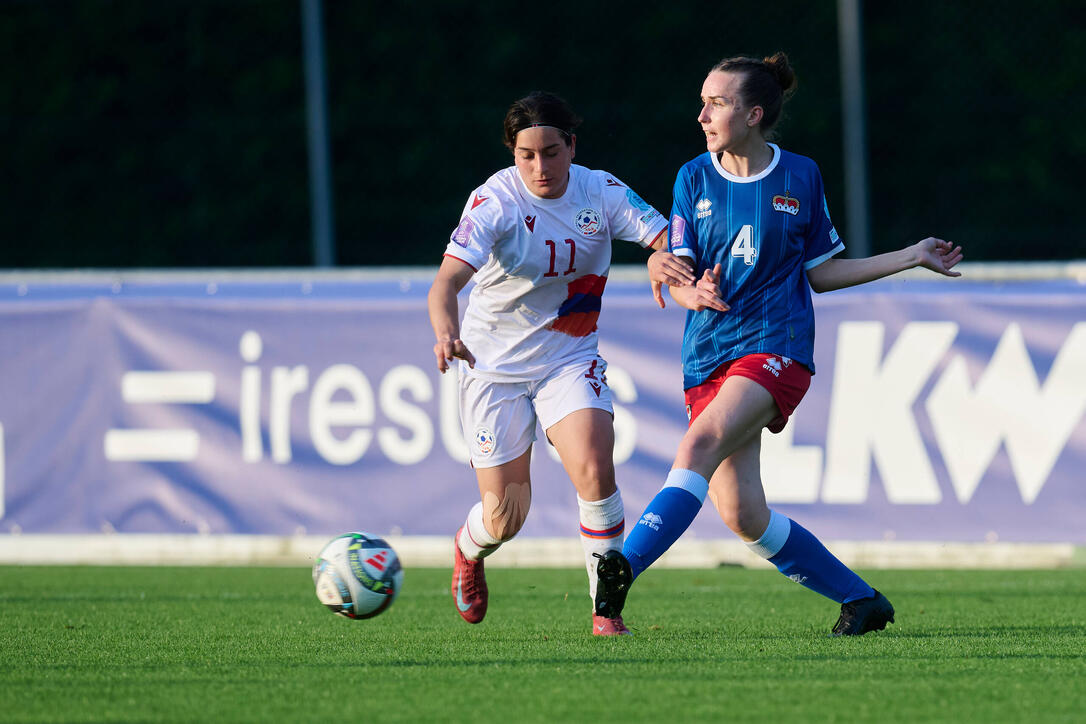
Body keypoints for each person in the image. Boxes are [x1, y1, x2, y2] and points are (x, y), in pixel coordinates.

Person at [593, 53, 964, 636]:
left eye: (716, 103)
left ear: (753, 113)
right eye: (703, 102)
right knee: (743, 513)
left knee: (699, 443)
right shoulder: (693, 177)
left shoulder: (801, 176)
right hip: (708, 354)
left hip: (778, 347)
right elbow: (682, 272)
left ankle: (621, 572)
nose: (702, 114)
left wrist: (910, 257)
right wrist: (678, 280)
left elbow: (821, 272)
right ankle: (862, 601)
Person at [428, 91, 669, 636]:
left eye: (552, 152)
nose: (540, 167)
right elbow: (445, 283)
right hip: (494, 367)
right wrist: (446, 333)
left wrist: (660, 256)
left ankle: (606, 613)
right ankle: (469, 550)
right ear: (512, 153)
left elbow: (664, 236)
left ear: (572, 146)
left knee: (594, 466)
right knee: (505, 518)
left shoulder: (600, 190)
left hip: (569, 358)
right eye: (526, 154)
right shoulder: (495, 202)